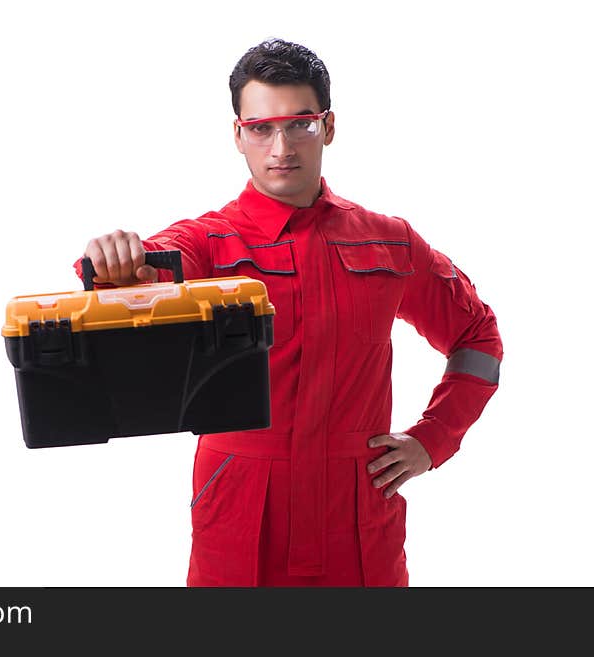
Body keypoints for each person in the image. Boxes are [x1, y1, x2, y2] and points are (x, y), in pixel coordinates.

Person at [74, 38, 502, 586]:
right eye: (261, 128)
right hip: (243, 506)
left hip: (357, 512)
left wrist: (433, 438)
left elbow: (477, 336)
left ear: (327, 126)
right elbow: (147, 275)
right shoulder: (208, 242)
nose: (281, 147)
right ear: (238, 135)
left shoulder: (389, 244)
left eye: (299, 124)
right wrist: (117, 264)